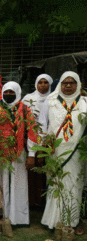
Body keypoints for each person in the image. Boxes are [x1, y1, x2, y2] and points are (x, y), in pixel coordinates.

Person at [39, 71, 87, 231]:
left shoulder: (84, 102)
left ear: (77, 84)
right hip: (55, 150)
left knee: (74, 183)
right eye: (65, 83)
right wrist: (42, 145)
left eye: (71, 83)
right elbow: (42, 125)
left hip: (76, 152)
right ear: (60, 84)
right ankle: (52, 220)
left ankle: (71, 220)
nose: (68, 86)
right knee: (56, 184)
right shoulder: (51, 101)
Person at [0, 81, 38, 226]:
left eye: (12, 92)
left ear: (17, 92)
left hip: (19, 153)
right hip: (1, 153)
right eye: (6, 92)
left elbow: (32, 133)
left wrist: (31, 155)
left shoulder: (25, 109)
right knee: (2, 183)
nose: (9, 95)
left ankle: (18, 218)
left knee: (19, 185)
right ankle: (3, 216)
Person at [22, 74, 53, 208]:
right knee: (32, 170)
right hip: (31, 137)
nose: (42, 85)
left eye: (46, 82)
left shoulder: (54, 99)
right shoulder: (28, 98)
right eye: (40, 82)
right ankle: (32, 202)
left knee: (45, 171)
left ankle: (43, 203)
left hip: (49, 138)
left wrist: (42, 143)